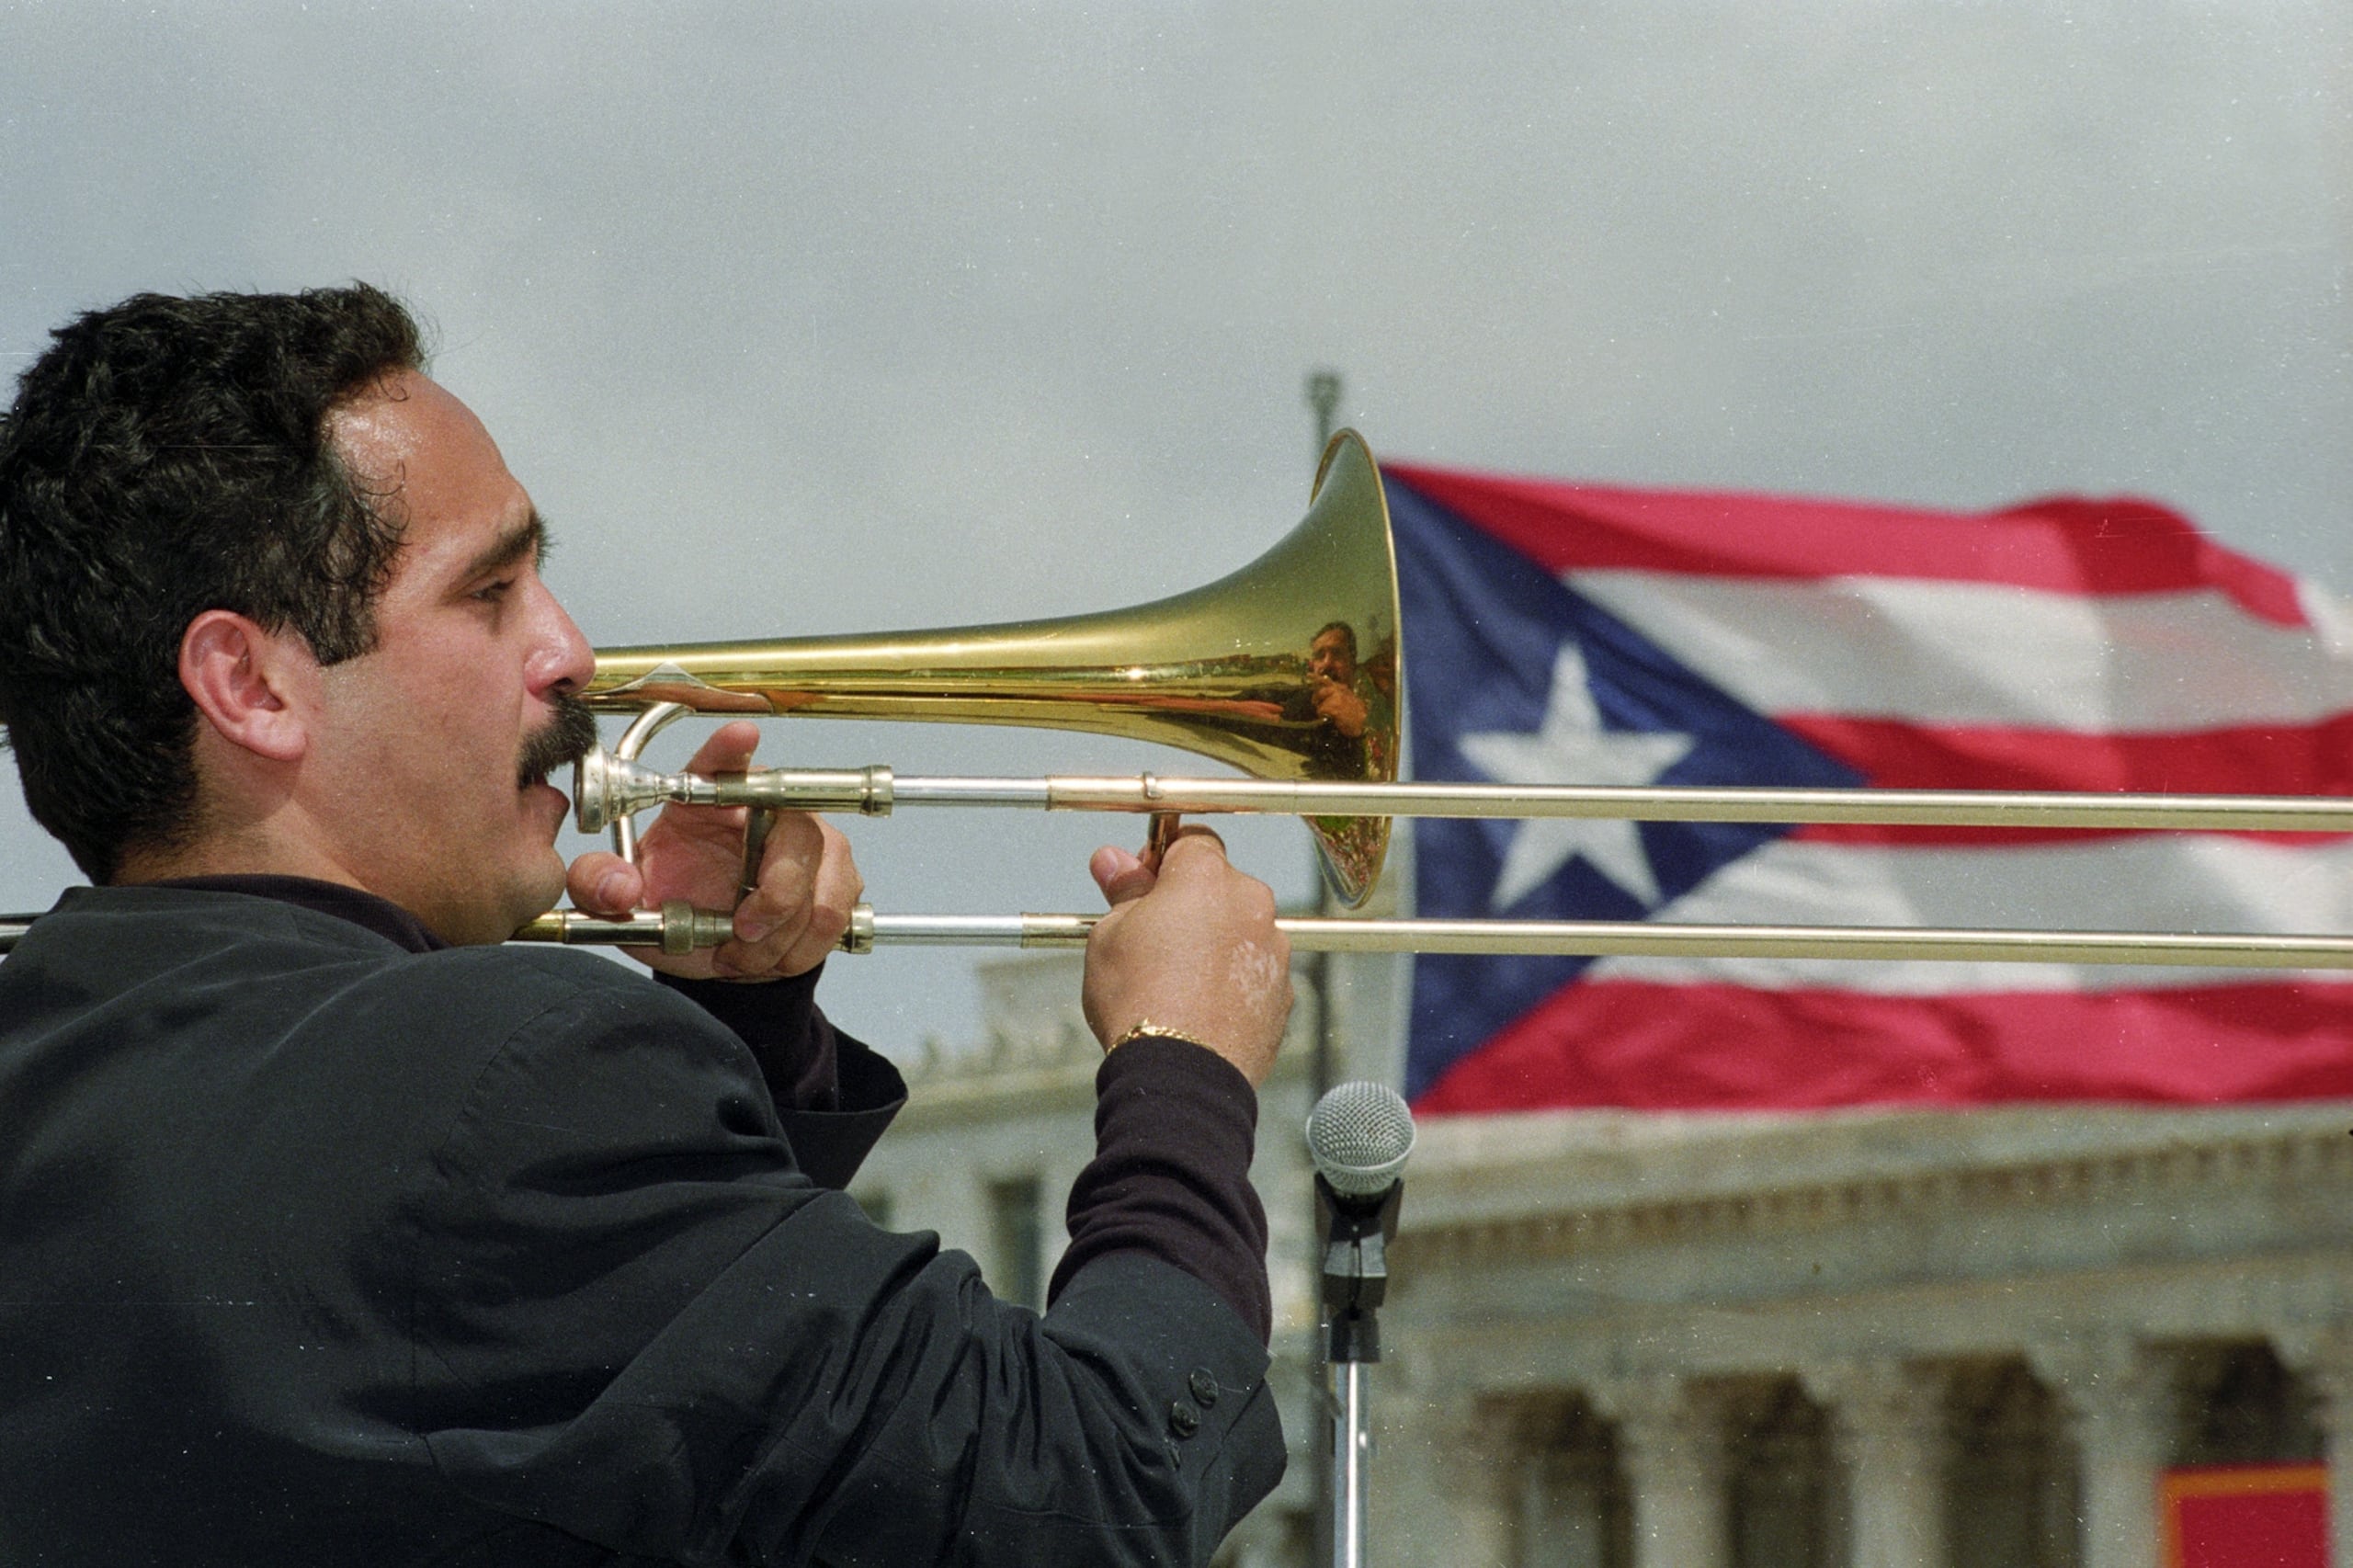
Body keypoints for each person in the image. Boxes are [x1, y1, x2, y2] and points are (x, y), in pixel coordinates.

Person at [0, 286, 1292, 1564]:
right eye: (491, 590)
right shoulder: (522, 1078)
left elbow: (511, 1375)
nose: (572, 653)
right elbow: (1094, 1486)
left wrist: (742, 1027)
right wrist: (1184, 1059)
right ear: (248, 682)